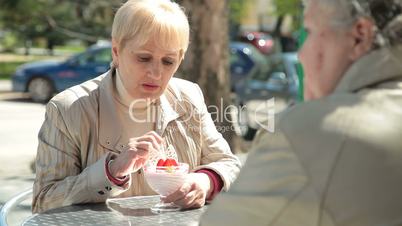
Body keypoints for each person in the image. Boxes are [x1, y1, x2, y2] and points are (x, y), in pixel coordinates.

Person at [201, 0, 402, 225]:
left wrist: (312, 114)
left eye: (309, 32)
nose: (301, 55)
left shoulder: (315, 131)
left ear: (359, 36)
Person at [32, 0, 241, 213]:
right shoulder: (68, 109)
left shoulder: (189, 96)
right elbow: (44, 201)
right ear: (116, 51)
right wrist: (111, 171)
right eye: (144, 58)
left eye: (168, 61)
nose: (156, 73)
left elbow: (228, 164)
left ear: (180, 59)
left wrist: (206, 181)